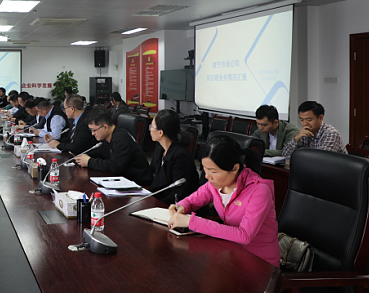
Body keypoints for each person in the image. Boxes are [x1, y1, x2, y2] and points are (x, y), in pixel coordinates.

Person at [167, 136, 279, 266]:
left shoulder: (259, 191)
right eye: (205, 169)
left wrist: (191, 221)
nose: (207, 176)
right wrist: (181, 207)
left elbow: (244, 236)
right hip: (230, 254)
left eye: (213, 171)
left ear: (235, 168)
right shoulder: (215, 184)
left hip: (259, 263)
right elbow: (191, 201)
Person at [76, 107, 153, 186]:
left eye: (94, 130)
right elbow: (100, 152)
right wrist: (83, 157)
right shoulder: (107, 137)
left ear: (105, 127)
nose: (92, 133)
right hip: (123, 179)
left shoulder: (121, 140)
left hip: (139, 183)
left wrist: (89, 162)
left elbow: (115, 167)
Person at [147, 110, 198, 204]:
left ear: (160, 132)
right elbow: (153, 177)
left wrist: (154, 204)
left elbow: (179, 194)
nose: (150, 129)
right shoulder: (160, 148)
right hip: (159, 199)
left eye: (152, 126)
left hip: (176, 206)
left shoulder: (181, 156)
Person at [282, 101, 348, 157]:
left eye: (309, 120)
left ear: (321, 118)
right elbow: (285, 154)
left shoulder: (331, 133)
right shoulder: (304, 133)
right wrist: (296, 139)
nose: (305, 123)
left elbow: (322, 159)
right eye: (302, 120)